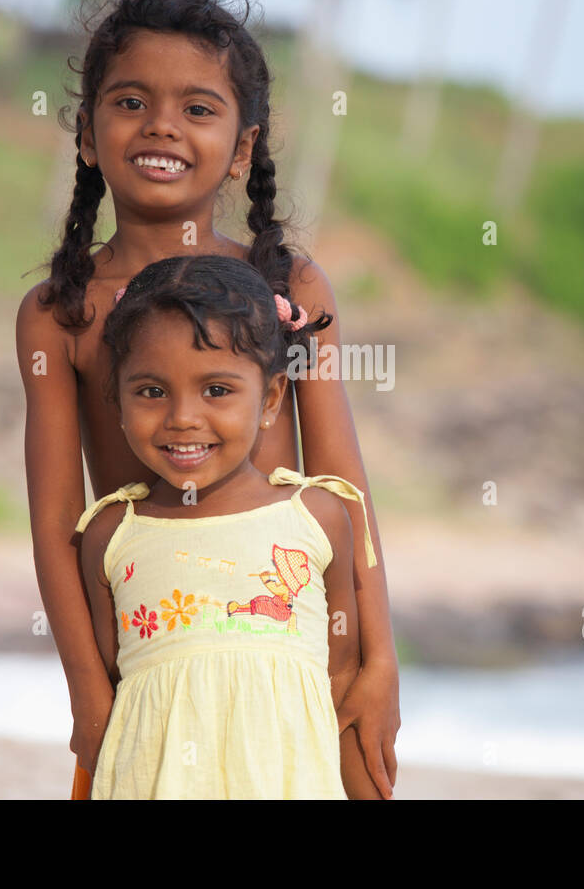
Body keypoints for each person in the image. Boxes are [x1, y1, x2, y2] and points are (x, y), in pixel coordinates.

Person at [17, 0, 398, 799]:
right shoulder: (62, 312)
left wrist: (380, 660)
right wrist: (86, 687)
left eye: (197, 107)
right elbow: (54, 525)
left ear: (240, 146)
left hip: (292, 654)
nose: (161, 126)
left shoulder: (288, 287)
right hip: (145, 657)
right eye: (129, 103)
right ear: (86, 132)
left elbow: (342, 490)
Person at [73, 254, 380, 798]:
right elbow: (116, 690)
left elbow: (342, 678)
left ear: (270, 399)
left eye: (216, 390)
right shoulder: (112, 536)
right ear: (115, 401)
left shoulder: (314, 517)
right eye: (151, 391)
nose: (183, 417)